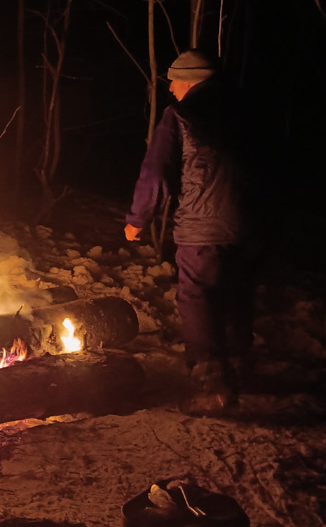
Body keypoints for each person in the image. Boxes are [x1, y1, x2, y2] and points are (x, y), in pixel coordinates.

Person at [124, 48, 255, 414]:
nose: (170, 89)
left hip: (203, 226)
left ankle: (212, 384)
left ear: (191, 81)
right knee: (235, 293)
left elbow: (157, 172)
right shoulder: (246, 112)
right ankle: (239, 369)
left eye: (174, 82)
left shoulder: (182, 115)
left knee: (197, 296)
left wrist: (138, 219)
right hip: (250, 225)